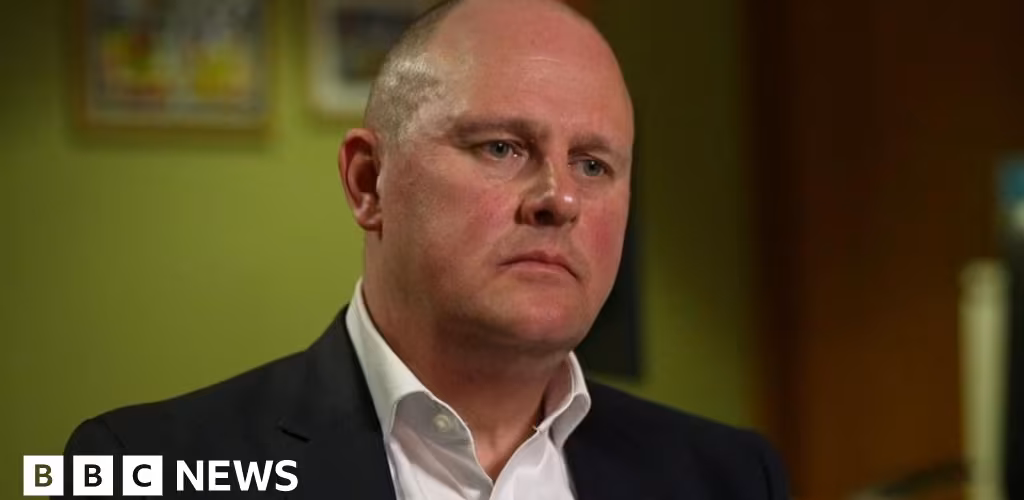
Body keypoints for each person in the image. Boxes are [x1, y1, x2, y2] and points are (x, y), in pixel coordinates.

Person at [63, 0, 790, 498]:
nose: (559, 199)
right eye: (502, 147)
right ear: (368, 182)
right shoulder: (136, 467)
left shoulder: (731, 477)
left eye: (593, 165)